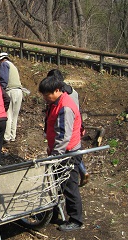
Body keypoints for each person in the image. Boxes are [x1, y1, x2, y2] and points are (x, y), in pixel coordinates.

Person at [39, 75, 83, 231]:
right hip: (60, 152)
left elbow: (64, 137)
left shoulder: (65, 107)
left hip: (68, 153)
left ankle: (76, 220)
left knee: (69, 186)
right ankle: (53, 212)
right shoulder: (55, 102)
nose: (45, 98)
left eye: (46, 94)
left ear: (57, 90)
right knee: (55, 183)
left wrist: (54, 156)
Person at [47, 69, 89, 187]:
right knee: (75, 149)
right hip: (76, 123)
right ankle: (82, 171)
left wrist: (54, 155)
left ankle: (79, 173)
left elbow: (63, 136)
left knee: (71, 149)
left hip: (68, 125)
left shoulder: (60, 97)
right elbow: (78, 110)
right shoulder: (73, 91)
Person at [0, 52, 23, 143]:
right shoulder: (13, 66)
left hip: (10, 91)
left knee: (8, 114)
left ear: (2, 59)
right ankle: (12, 136)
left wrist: (0, 91)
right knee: (15, 116)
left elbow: (4, 80)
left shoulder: (4, 64)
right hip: (19, 91)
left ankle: (6, 137)